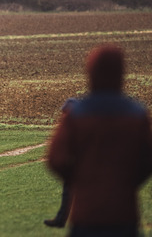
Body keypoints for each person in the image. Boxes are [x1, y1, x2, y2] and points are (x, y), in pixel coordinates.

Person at [48, 45, 152, 237]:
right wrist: (128, 181)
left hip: (86, 214)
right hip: (124, 213)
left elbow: (56, 158)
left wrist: (79, 180)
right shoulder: (137, 114)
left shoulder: (77, 114)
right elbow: (147, 160)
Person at [44, 98, 77, 228]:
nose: (63, 114)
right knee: (68, 193)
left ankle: (61, 220)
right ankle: (60, 219)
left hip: (78, 167)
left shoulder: (72, 125)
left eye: (65, 111)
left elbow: (55, 156)